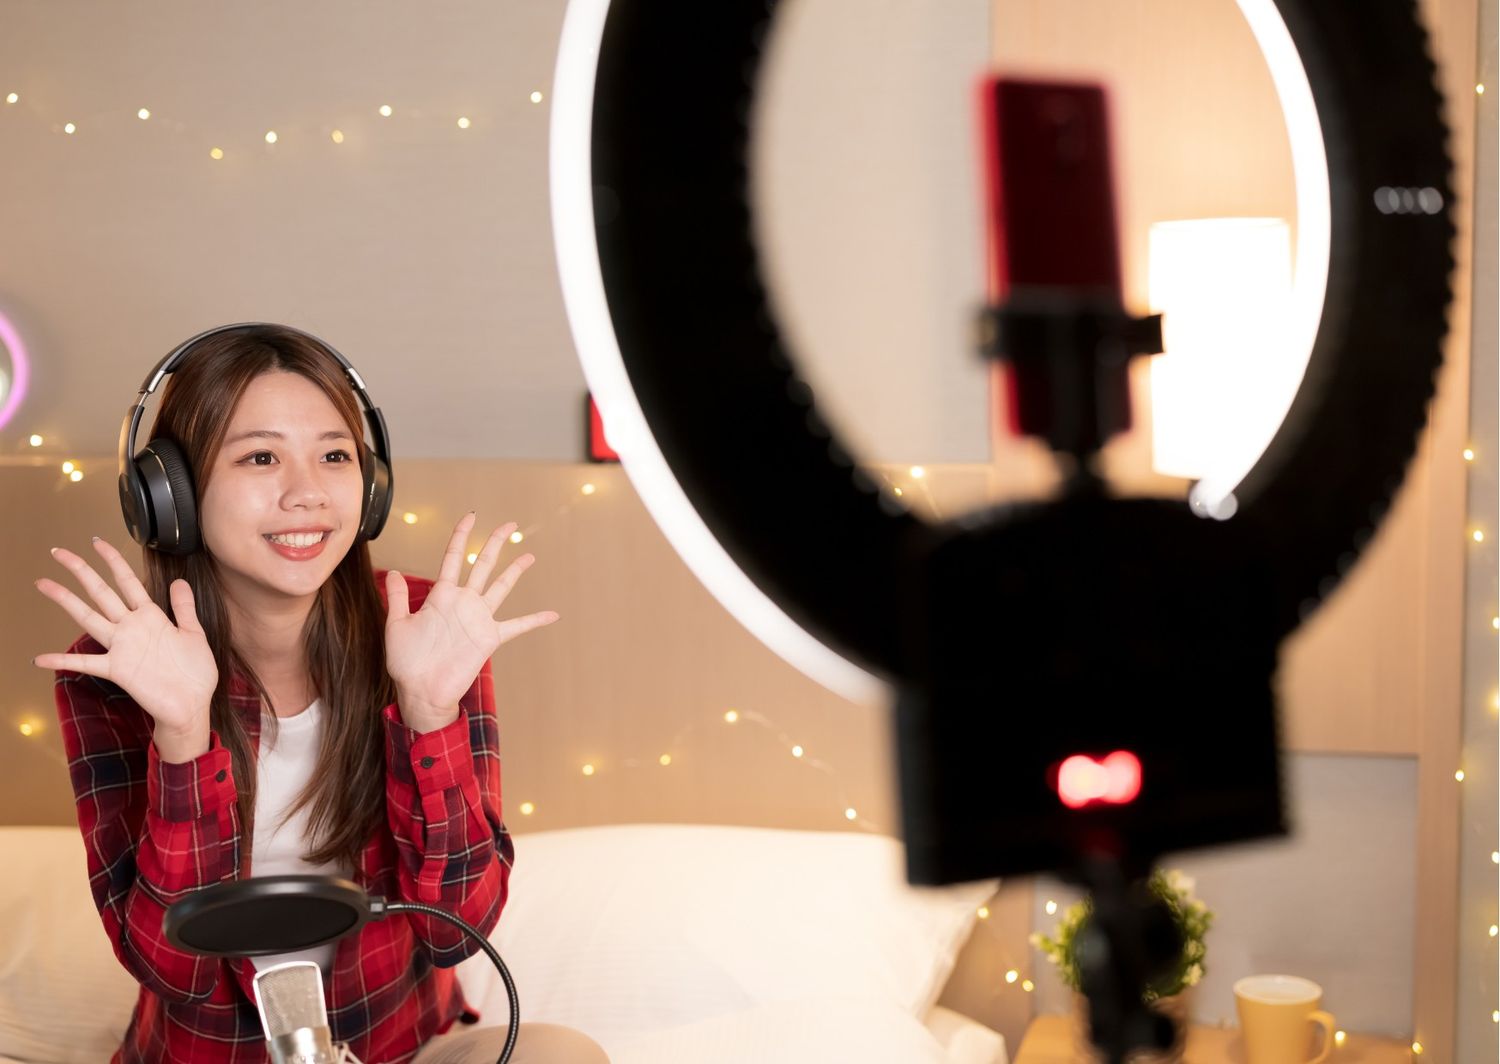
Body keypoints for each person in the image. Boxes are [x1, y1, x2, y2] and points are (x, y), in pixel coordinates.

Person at [32, 324, 609, 1063]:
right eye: (261, 456)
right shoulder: (116, 669)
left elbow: (456, 925)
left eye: (334, 455)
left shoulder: (429, 627)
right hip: (207, 1057)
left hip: (401, 1046)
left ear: (370, 487)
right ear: (169, 494)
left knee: (563, 1056)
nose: (307, 493)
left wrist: (430, 712)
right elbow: (173, 971)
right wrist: (183, 737)